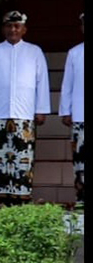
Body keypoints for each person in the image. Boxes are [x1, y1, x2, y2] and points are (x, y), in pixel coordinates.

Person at [0, 10, 51, 207]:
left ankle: (22, 197)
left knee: (23, 158)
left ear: (24, 29)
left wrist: (41, 109)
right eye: (9, 26)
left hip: (24, 114)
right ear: (3, 29)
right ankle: (1, 198)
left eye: (17, 26)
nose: (13, 30)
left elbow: (41, 82)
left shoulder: (34, 52)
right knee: (0, 159)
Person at [59, 12, 84, 207]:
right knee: (80, 161)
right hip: (80, 116)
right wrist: (65, 110)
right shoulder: (75, 53)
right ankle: (82, 198)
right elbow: (67, 85)